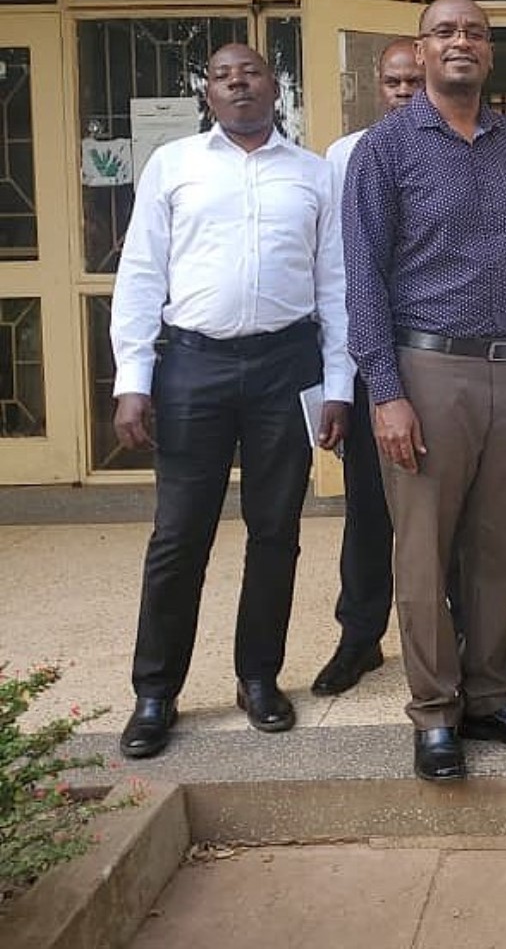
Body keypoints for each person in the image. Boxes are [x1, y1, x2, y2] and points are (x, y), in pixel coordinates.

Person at [343, 0, 506, 782]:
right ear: (422, 48)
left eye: (474, 30)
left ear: (491, 49)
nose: (460, 41)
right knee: (424, 548)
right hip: (427, 369)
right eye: (445, 32)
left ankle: (489, 695)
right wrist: (385, 389)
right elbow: (363, 277)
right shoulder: (387, 146)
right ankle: (435, 712)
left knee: (500, 546)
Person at [111, 43, 351, 760]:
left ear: (274, 88)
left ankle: (258, 677)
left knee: (275, 531)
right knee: (179, 535)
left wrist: (337, 384)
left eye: (251, 73)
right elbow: (141, 271)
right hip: (195, 366)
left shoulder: (312, 175)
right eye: (223, 75)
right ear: (207, 91)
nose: (239, 83)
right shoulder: (174, 166)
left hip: (286, 363)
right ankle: (156, 691)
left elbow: (334, 283)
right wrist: (133, 377)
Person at [311, 38, 427, 698]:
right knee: (368, 507)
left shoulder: (465, 145)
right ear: (378, 86)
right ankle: (360, 636)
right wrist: (342, 381)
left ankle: (452, 629)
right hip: (369, 358)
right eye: (394, 81)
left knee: (445, 506)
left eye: (415, 79)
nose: (405, 90)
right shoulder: (345, 156)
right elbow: (339, 273)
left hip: (440, 355)